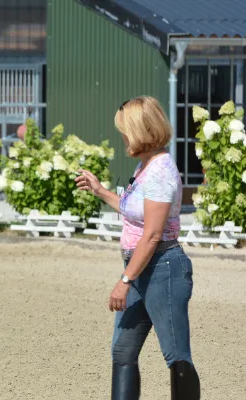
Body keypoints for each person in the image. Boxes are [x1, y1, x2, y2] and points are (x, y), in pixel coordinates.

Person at [75, 96, 200, 399]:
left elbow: (153, 235)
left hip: (162, 269)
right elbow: (135, 212)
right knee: (123, 351)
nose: (123, 138)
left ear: (141, 130)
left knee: (176, 354)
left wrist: (125, 280)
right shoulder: (145, 166)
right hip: (141, 267)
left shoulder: (160, 172)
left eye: (125, 131)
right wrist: (100, 191)